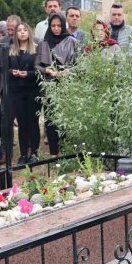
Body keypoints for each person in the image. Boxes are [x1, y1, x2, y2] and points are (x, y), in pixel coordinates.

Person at [36, 13, 78, 157]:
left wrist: (66, 72)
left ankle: (67, 151)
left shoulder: (71, 41)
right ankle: (54, 152)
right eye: (53, 25)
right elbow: (37, 65)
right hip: (49, 85)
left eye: (59, 25)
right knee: (50, 119)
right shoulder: (44, 42)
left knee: (66, 117)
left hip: (66, 85)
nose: (56, 28)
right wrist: (45, 69)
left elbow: (79, 64)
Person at [7, 23, 41, 164]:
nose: (22, 32)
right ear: (16, 34)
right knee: (22, 123)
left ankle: (33, 152)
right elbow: (6, 69)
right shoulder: (11, 50)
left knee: (33, 122)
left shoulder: (36, 49)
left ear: (29, 32)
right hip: (17, 90)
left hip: (32, 89)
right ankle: (23, 154)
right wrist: (12, 72)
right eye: (19, 30)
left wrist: (27, 74)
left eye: (24, 30)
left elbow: (40, 71)